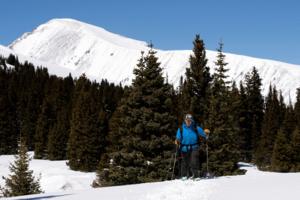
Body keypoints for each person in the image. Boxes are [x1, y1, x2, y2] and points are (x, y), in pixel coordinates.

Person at [175, 113, 209, 179]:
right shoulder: (181, 128)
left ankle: (196, 176)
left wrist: (206, 133)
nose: (188, 122)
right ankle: (184, 176)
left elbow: (204, 134)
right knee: (185, 162)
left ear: (192, 121)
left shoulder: (196, 127)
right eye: (187, 120)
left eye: (190, 120)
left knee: (194, 161)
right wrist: (177, 140)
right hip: (184, 148)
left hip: (194, 147)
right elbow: (178, 137)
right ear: (185, 120)